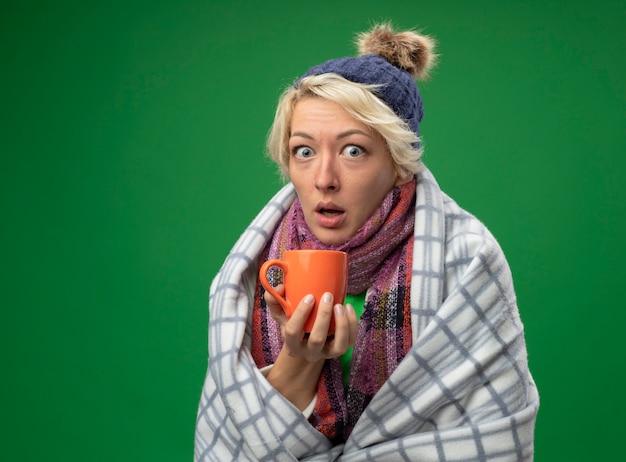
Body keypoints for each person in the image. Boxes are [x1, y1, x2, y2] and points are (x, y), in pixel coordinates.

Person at [194, 23, 539, 461]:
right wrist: (300, 359)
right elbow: (238, 440)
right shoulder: (259, 264)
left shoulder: (466, 258)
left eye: (353, 150)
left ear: (399, 163)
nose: (323, 179)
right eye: (304, 151)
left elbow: (489, 436)